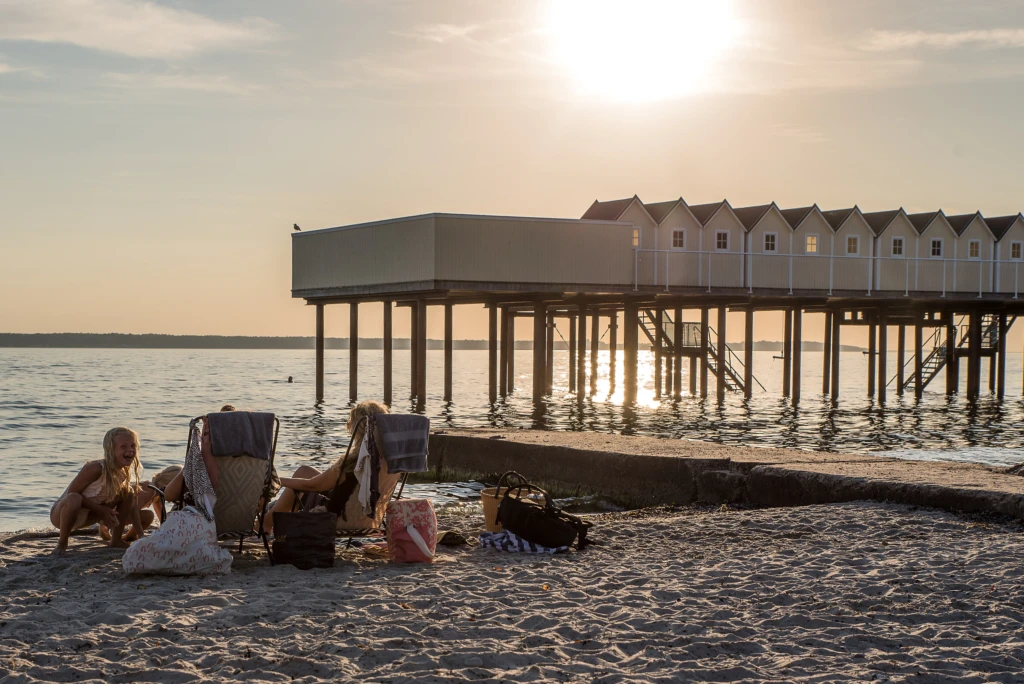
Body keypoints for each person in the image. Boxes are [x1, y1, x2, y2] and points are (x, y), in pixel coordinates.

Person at [263, 400, 389, 534]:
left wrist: (276, 480)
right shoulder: (388, 460)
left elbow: (312, 486)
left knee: (298, 482)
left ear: (358, 428)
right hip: (367, 518)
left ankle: (264, 525)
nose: (347, 426)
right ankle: (273, 521)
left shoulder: (353, 460)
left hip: (335, 516)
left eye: (350, 422)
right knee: (304, 471)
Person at [50, 427, 149, 556]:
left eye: (133, 445)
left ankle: (116, 540)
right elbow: (71, 494)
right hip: (62, 515)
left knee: (128, 492)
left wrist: (141, 535)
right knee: (74, 498)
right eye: (123, 447)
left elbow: (133, 507)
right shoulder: (95, 468)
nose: (130, 450)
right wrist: (101, 510)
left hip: (89, 516)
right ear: (110, 450)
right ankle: (62, 543)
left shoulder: (122, 473)